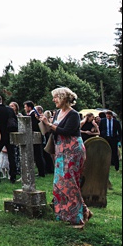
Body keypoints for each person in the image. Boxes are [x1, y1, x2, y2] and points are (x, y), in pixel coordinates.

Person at [43, 86, 89, 229]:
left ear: (63, 98)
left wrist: (49, 124)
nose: (53, 100)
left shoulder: (74, 114)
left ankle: (77, 218)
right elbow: (55, 132)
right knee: (59, 184)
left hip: (73, 150)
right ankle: (66, 214)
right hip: (60, 150)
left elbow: (67, 131)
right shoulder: (57, 113)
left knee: (70, 183)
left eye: (56, 97)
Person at [0, 94, 18, 181]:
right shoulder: (10, 110)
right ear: (1, 100)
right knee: (11, 156)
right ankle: (13, 176)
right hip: (9, 134)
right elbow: (15, 121)